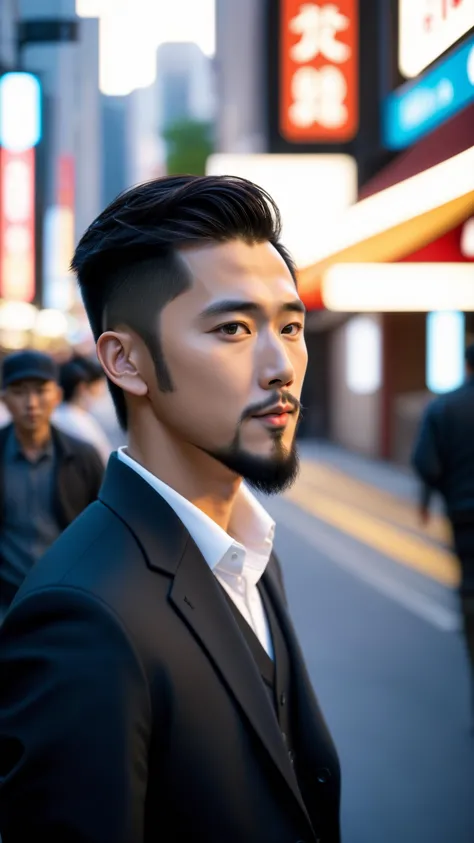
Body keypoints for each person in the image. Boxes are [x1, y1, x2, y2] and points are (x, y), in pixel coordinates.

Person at [0, 176, 340, 843]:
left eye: (291, 326)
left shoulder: (247, 553)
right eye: (234, 328)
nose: (282, 366)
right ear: (125, 361)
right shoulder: (81, 618)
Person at [0, 349, 105, 620]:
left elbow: (104, 527)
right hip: (6, 598)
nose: (31, 403)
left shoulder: (82, 455)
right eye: (20, 391)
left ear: (56, 396)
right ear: (4, 399)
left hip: (68, 595)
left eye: (40, 390)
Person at [412, 342, 474, 723]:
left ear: (466, 365)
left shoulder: (443, 407)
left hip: (465, 515)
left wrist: (425, 500)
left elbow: (427, 463)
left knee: (470, 588)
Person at [53, 356, 113, 464]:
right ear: (82, 388)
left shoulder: (55, 416)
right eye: (99, 385)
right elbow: (104, 462)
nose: (102, 391)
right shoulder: (81, 423)